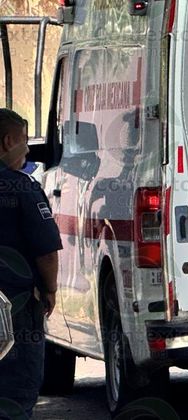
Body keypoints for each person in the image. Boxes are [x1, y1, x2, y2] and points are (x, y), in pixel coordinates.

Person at [0, 109, 62, 419]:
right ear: (7, 141)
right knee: (15, 392)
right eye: (24, 140)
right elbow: (47, 253)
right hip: (15, 309)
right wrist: (49, 291)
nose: (27, 149)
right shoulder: (22, 187)